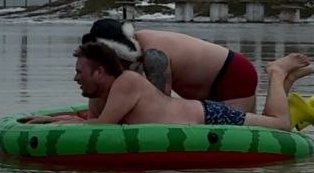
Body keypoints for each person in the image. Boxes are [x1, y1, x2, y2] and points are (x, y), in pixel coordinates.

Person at [25, 43, 314, 131]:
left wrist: (51, 122)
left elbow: (101, 125)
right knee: (271, 121)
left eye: (80, 72)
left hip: (207, 115)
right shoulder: (105, 92)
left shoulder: (126, 83)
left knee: (279, 125)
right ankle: (288, 87)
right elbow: (89, 118)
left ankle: (278, 73)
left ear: (99, 72)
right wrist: (52, 119)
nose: (75, 78)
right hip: (198, 113)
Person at [80, 19, 259, 112]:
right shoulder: (129, 55)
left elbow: (159, 105)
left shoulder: (154, 55)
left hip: (231, 74)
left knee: (246, 128)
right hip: (209, 84)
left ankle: (278, 74)